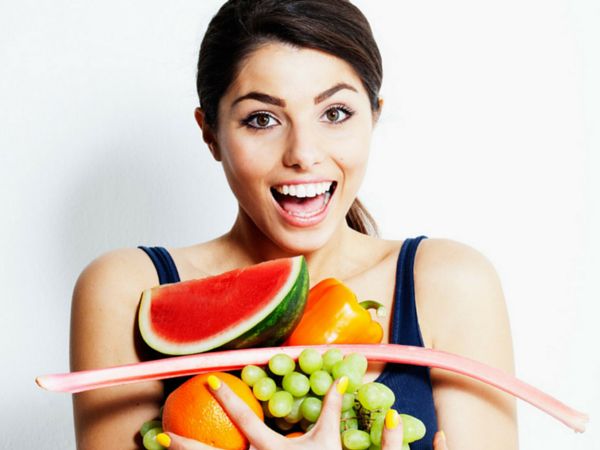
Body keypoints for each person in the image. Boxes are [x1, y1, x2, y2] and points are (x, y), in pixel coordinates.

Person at [70, 1, 518, 449]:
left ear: (374, 116)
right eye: (262, 119)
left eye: (336, 113)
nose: (303, 153)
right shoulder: (127, 290)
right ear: (210, 134)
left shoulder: (452, 283)